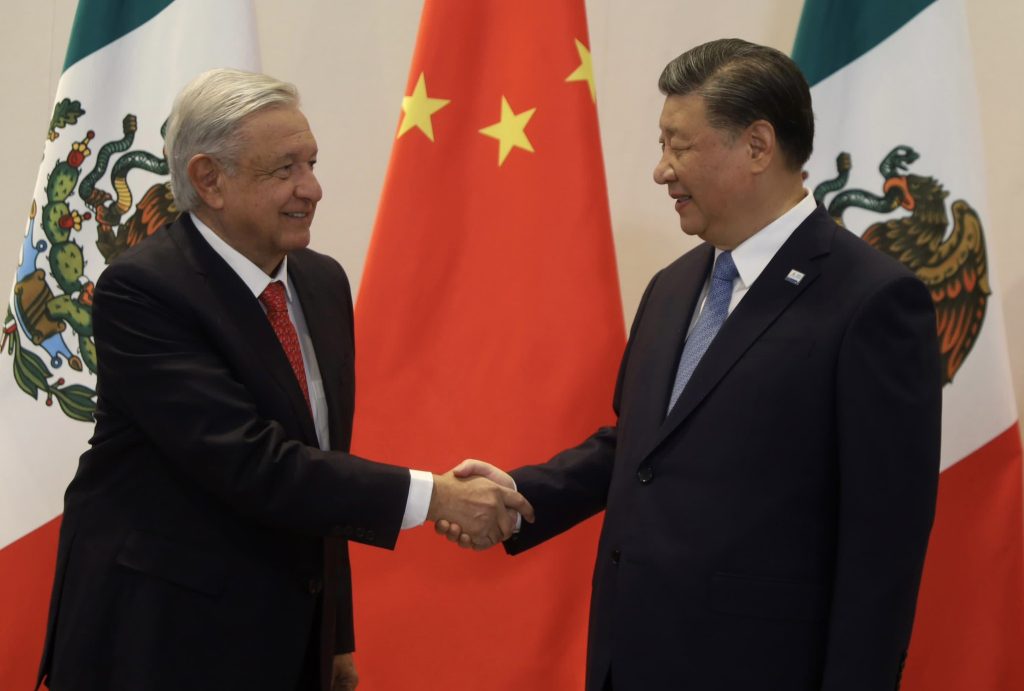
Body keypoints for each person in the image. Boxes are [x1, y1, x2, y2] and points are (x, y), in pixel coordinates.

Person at [439, 39, 942, 690]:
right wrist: (520, 496)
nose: (661, 170)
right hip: (631, 658)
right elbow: (639, 449)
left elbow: (883, 545)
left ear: (758, 146)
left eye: (679, 146)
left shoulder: (872, 300)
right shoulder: (673, 285)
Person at [36, 68, 532, 691]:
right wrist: (437, 497)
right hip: (162, 638)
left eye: (312, 162)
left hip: (284, 634)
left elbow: (321, 464)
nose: (314, 188)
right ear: (209, 180)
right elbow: (254, 464)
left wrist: (334, 636)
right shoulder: (144, 292)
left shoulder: (322, 284)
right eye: (284, 170)